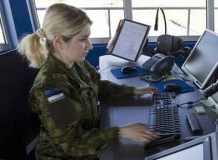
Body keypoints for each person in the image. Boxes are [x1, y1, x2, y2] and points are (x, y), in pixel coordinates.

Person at [17, 3, 159, 159]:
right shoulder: (50, 86)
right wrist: (120, 132)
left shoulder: (77, 62)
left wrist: (132, 91)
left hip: (89, 143)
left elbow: (97, 85)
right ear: (59, 41)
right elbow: (71, 144)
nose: (89, 46)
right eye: (83, 39)